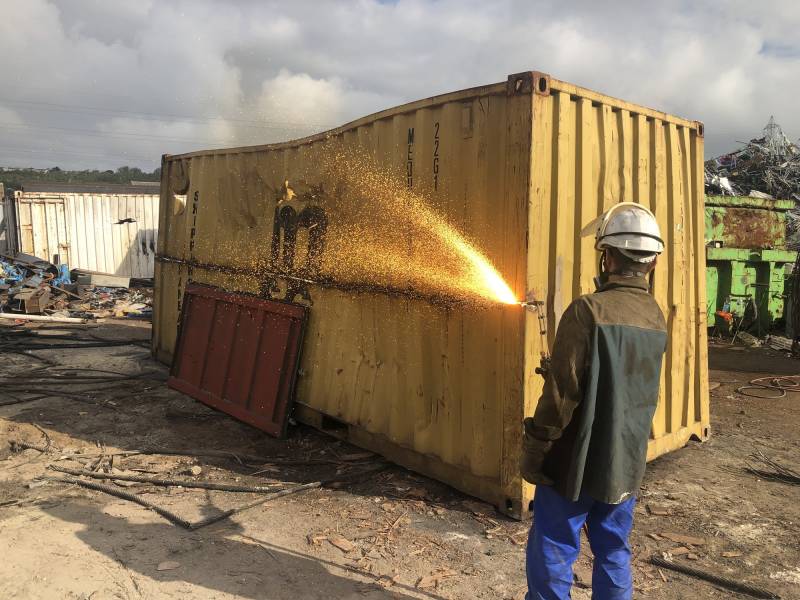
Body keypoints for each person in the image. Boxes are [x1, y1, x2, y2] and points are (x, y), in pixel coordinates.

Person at [521, 202, 668, 600]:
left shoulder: (587, 310)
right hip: (626, 463)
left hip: (575, 461)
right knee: (613, 549)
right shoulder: (655, 316)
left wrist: (536, 449)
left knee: (553, 547)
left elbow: (560, 395)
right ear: (652, 261)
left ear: (607, 256)